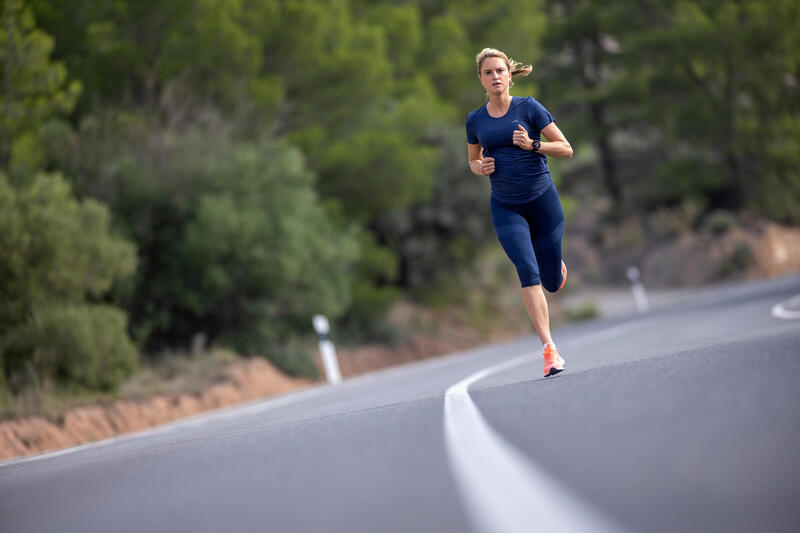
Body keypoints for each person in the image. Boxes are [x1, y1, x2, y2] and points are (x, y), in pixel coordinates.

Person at [466, 48, 573, 377]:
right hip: (505, 205)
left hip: (542, 200)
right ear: (481, 80)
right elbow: (472, 160)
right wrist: (480, 167)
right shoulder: (475, 120)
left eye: (500, 70)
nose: (495, 76)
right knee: (528, 273)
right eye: (488, 72)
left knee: (551, 281)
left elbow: (566, 149)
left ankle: (555, 269)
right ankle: (549, 350)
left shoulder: (529, 108)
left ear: (510, 75)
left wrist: (534, 145)